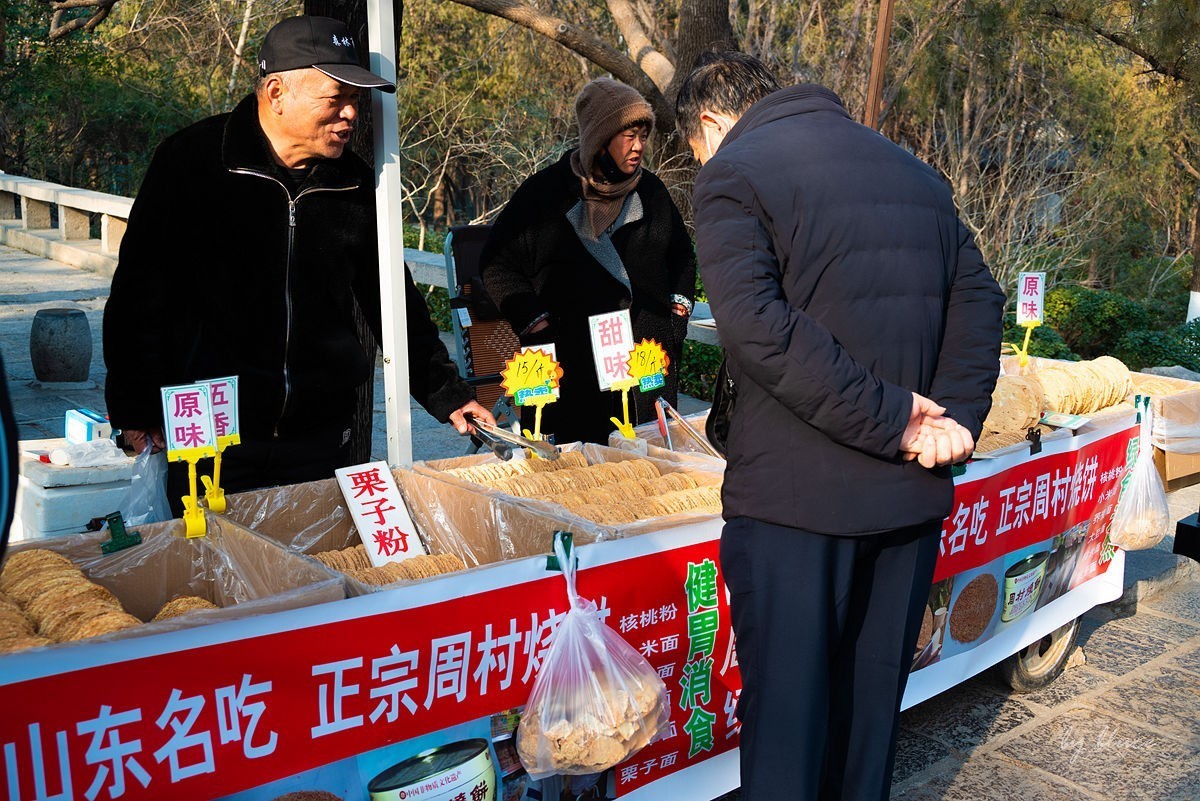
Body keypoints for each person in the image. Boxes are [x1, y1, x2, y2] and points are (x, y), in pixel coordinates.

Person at [675, 53, 1004, 800]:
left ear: (710, 123)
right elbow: (981, 300)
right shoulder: (914, 172)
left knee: (789, 735)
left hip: (797, 508)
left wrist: (898, 419)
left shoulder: (734, 172)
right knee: (866, 731)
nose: (701, 161)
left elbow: (757, 329)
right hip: (908, 502)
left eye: (696, 149)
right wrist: (946, 421)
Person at [103, 15, 493, 507]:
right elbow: (139, 292)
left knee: (315, 570)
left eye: (356, 100)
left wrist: (448, 393)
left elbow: (392, 299)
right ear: (275, 93)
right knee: (211, 571)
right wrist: (134, 405)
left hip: (320, 433)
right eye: (336, 99)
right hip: (210, 431)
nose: (351, 114)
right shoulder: (194, 163)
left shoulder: (353, 183)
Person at [480, 77, 696, 445]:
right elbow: (496, 265)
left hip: (643, 356)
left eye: (644, 136)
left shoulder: (651, 191)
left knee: (648, 463)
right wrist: (535, 323)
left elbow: (682, 254)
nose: (639, 146)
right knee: (578, 475)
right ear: (599, 138)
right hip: (572, 360)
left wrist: (676, 313)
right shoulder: (544, 194)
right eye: (629, 136)